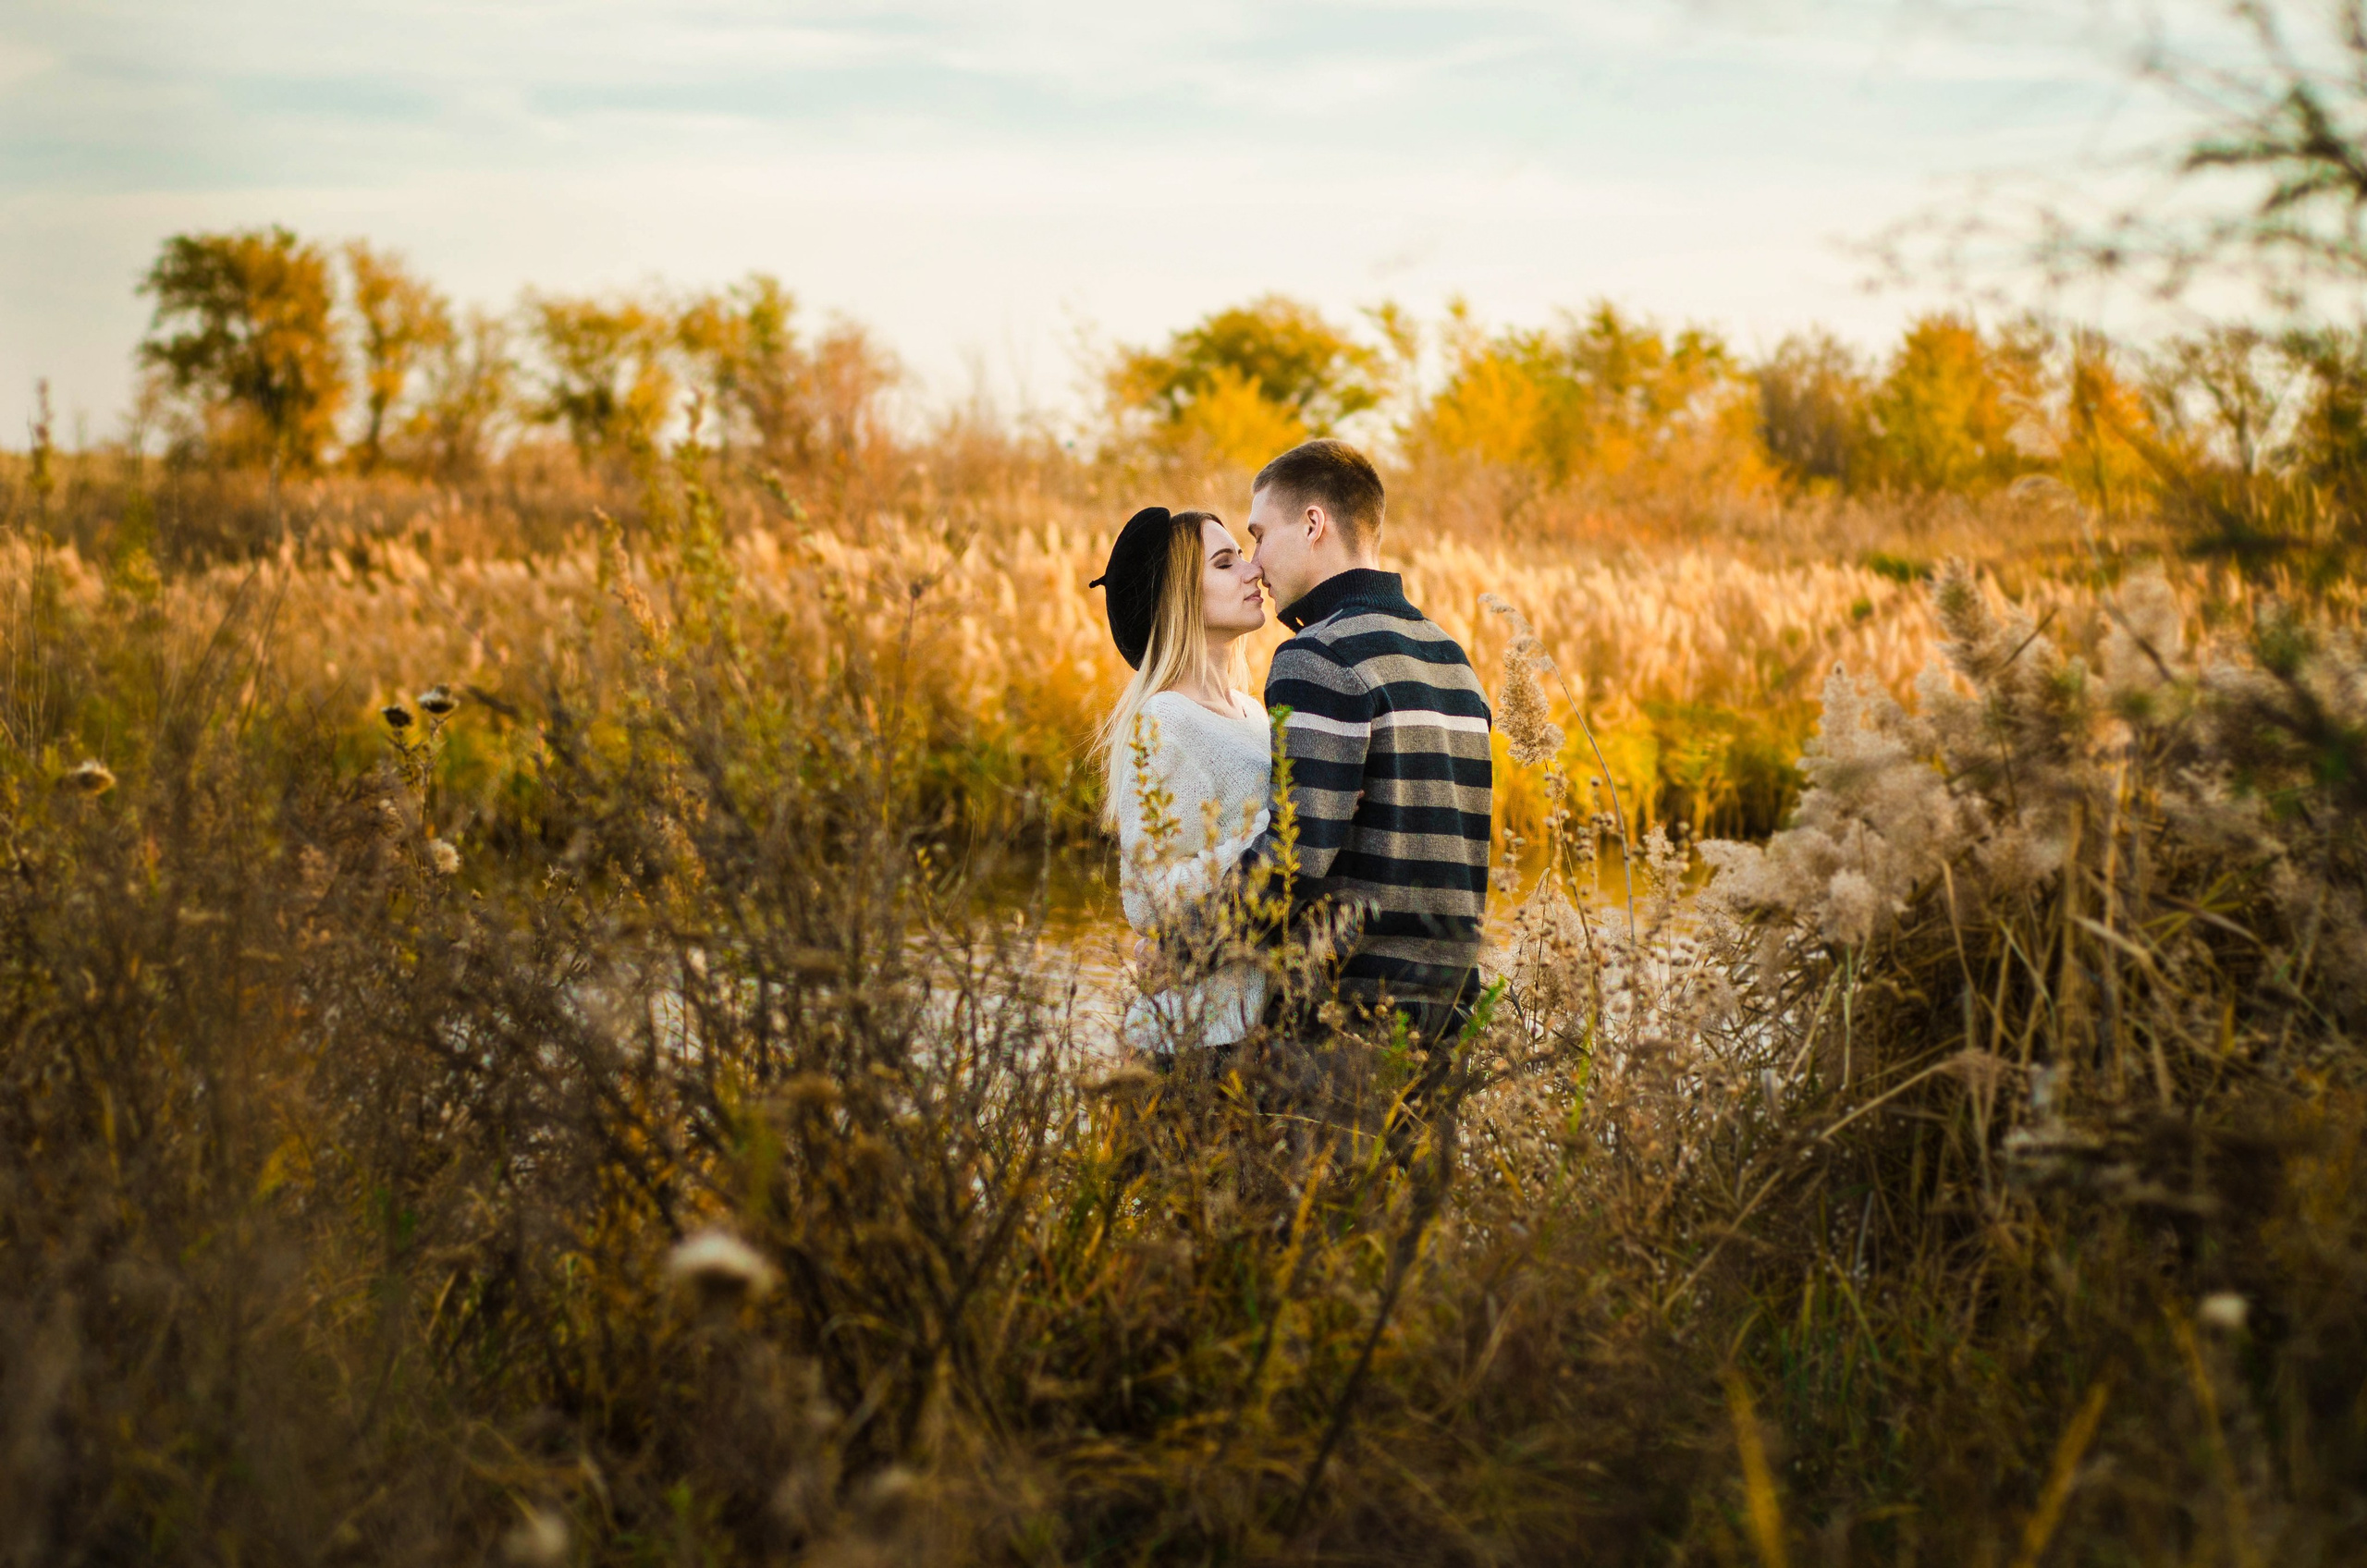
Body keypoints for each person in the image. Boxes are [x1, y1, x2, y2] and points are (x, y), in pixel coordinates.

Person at [1233, 439, 1493, 1047]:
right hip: (1445, 1025)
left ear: (1314, 523)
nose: (1255, 561)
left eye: (1260, 535)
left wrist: (1185, 941)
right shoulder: (1451, 656)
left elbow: (1293, 858)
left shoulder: (1318, 654)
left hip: (1343, 1031)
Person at [1090, 506, 1273, 1053]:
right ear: (1181, 598)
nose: (1252, 572)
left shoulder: (1253, 711)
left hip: (1255, 1032)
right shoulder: (1165, 720)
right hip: (1191, 1041)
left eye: (1242, 556)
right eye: (1225, 564)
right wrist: (1285, 825)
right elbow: (1151, 898)